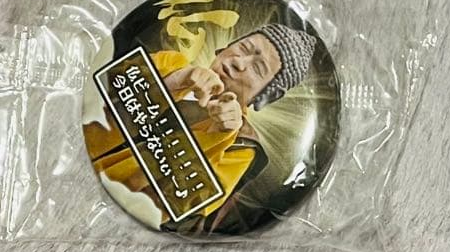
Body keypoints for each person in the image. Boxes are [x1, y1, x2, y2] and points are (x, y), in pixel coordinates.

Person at [85, 23, 317, 226]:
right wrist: (170, 84)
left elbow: (169, 207)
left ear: (267, 95)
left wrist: (218, 135)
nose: (238, 63)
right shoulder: (171, 62)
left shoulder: (242, 146)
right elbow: (97, 92)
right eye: (243, 48)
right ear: (225, 47)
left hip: (102, 205)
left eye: (258, 69)